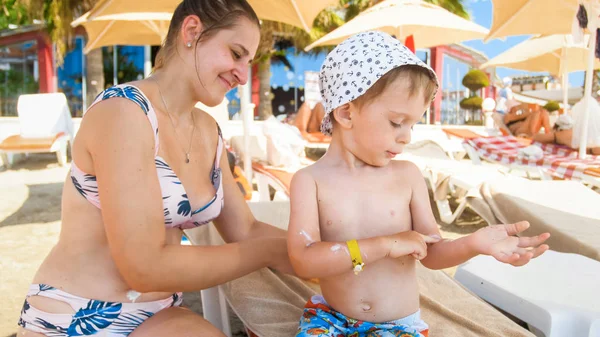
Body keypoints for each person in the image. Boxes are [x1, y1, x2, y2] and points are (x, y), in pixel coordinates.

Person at [17, 1, 293, 336]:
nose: (241, 73)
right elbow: (144, 267)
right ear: (191, 32)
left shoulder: (209, 132)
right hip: (73, 314)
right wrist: (268, 253)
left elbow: (246, 230)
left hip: (157, 314)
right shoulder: (123, 112)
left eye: (248, 62)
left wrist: (330, 248)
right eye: (236, 54)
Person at [287, 31, 551, 337]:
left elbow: (432, 254)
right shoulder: (310, 181)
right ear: (347, 112)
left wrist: (474, 243)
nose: (407, 137)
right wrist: (384, 245)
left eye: (413, 124)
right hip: (330, 320)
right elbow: (304, 262)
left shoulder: (407, 176)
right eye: (397, 122)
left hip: (398, 327)